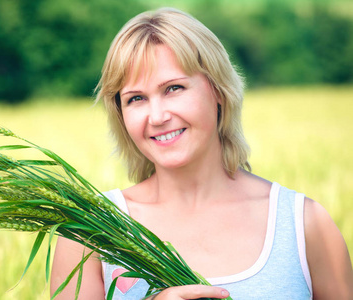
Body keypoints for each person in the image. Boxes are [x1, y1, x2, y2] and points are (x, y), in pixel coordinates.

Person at [50, 7, 353, 299]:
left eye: (174, 88)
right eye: (136, 98)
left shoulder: (305, 224)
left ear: (218, 91)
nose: (156, 116)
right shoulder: (88, 233)